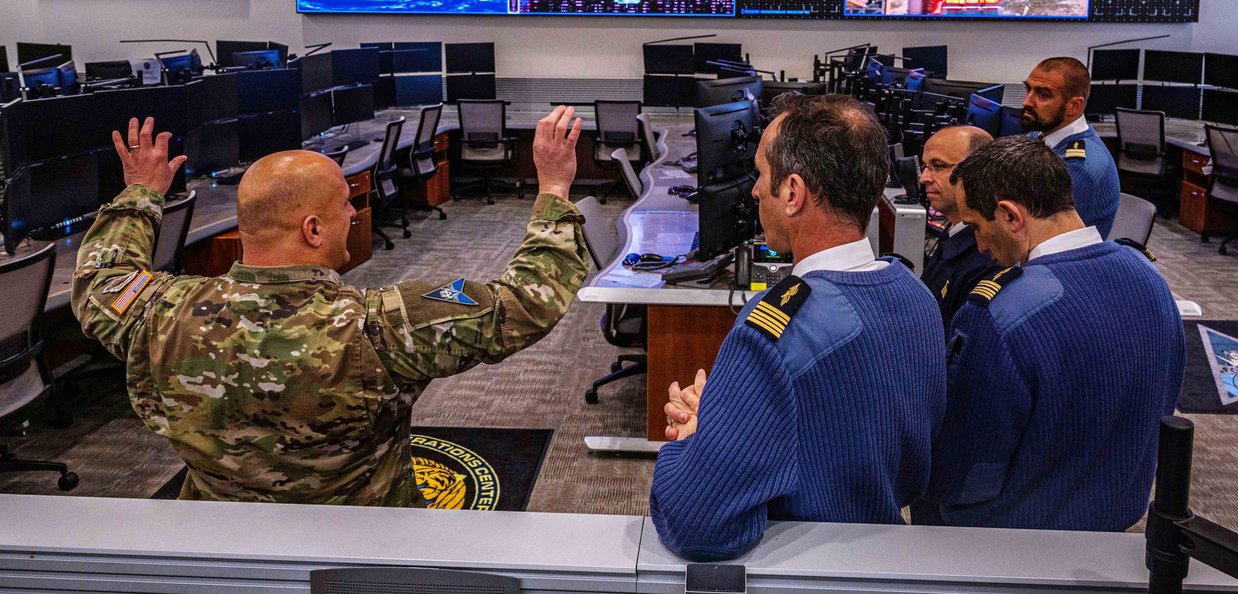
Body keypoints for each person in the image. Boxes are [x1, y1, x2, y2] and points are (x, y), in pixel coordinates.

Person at [71, 108, 589, 506]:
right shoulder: (380, 328)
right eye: (344, 202)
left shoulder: (161, 315)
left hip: (222, 548)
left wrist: (140, 192)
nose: (352, 211)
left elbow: (99, 277)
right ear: (312, 230)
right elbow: (525, 301)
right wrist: (554, 187)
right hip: (361, 550)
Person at [649, 93, 946, 561]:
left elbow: (697, 524)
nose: (752, 190)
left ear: (792, 192)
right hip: (882, 556)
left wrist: (697, 439)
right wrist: (733, 415)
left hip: (798, 568)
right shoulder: (916, 296)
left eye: (761, 175)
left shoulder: (774, 331)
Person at [926, 136, 1183, 530]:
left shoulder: (997, 314)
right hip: (1117, 528)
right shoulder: (1150, 277)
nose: (978, 244)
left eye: (977, 226)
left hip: (1012, 542)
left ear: (1011, 216)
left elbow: (968, 468)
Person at [1020, 56, 1120, 238]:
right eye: (1028, 90)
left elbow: (1042, 234)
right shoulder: (1039, 136)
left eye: (1042, 95)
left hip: (1063, 262)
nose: (1027, 102)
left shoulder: (1079, 167)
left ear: (1074, 106)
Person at [918, 125, 999, 330]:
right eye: (924, 166)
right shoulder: (955, 233)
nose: (924, 178)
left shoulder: (987, 255)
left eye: (938, 165)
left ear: (976, 171)